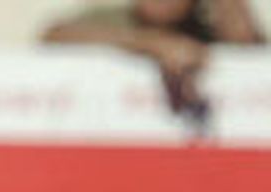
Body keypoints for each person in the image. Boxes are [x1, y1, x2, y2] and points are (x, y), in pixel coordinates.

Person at [41, 1, 266, 125]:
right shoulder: (116, 19)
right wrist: (149, 44)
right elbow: (54, 34)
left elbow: (247, 44)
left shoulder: (204, 30)